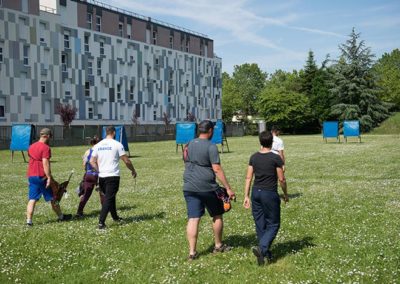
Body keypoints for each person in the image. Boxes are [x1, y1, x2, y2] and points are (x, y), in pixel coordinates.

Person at [183, 120, 235, 260]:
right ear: (210, 130)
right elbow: (217, 169)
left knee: (193, 218)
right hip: (207, 187)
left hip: (189, 186)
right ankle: (218, 245)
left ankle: (192, 253)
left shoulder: (188, 145)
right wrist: (228, 189)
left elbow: (185, 161)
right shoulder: (211, 147)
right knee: (217, 214)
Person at [243, 131, 288, 265]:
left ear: (260, 142)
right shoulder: (275, 158)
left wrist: (246, 196)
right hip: (269, 194)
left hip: (256, 193)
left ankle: (265, 254)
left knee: (260, 224)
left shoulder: (254, 157)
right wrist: (285, 194)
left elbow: (248, 177)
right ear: (272, 143)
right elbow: (281, 179)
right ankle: (262, 249)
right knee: (274, 224)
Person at [90, 126, 137, 229]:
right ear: (114, 133)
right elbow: (126, 160)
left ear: (106, 133)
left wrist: (99, 170)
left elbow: (92, 161)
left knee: (110, 197)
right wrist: (133, 170)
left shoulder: (98, 145)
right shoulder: (117, 144)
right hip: (112, 176)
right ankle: (101, 223)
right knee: (108, 199)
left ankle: (115, 217)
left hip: (102, 177)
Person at [26, 128, 72, 226]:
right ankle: (61, 216)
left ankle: (29, 221)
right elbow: (45, 163)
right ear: (46, 136)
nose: (50, 138)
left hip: (31, 175)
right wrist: (49, 177)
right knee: (53, 198)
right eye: (50, 136)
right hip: (42, 176)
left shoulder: (31, 146)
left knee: (32, 198)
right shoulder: (45, 148)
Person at [76, 136, 105, 218]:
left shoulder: (87, 151)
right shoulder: (100, 151)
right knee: (102, 193)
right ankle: (104, 210)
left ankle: (79, 211)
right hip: (98, 174)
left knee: (85, 194)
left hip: (88, 174)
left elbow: (84, 165)